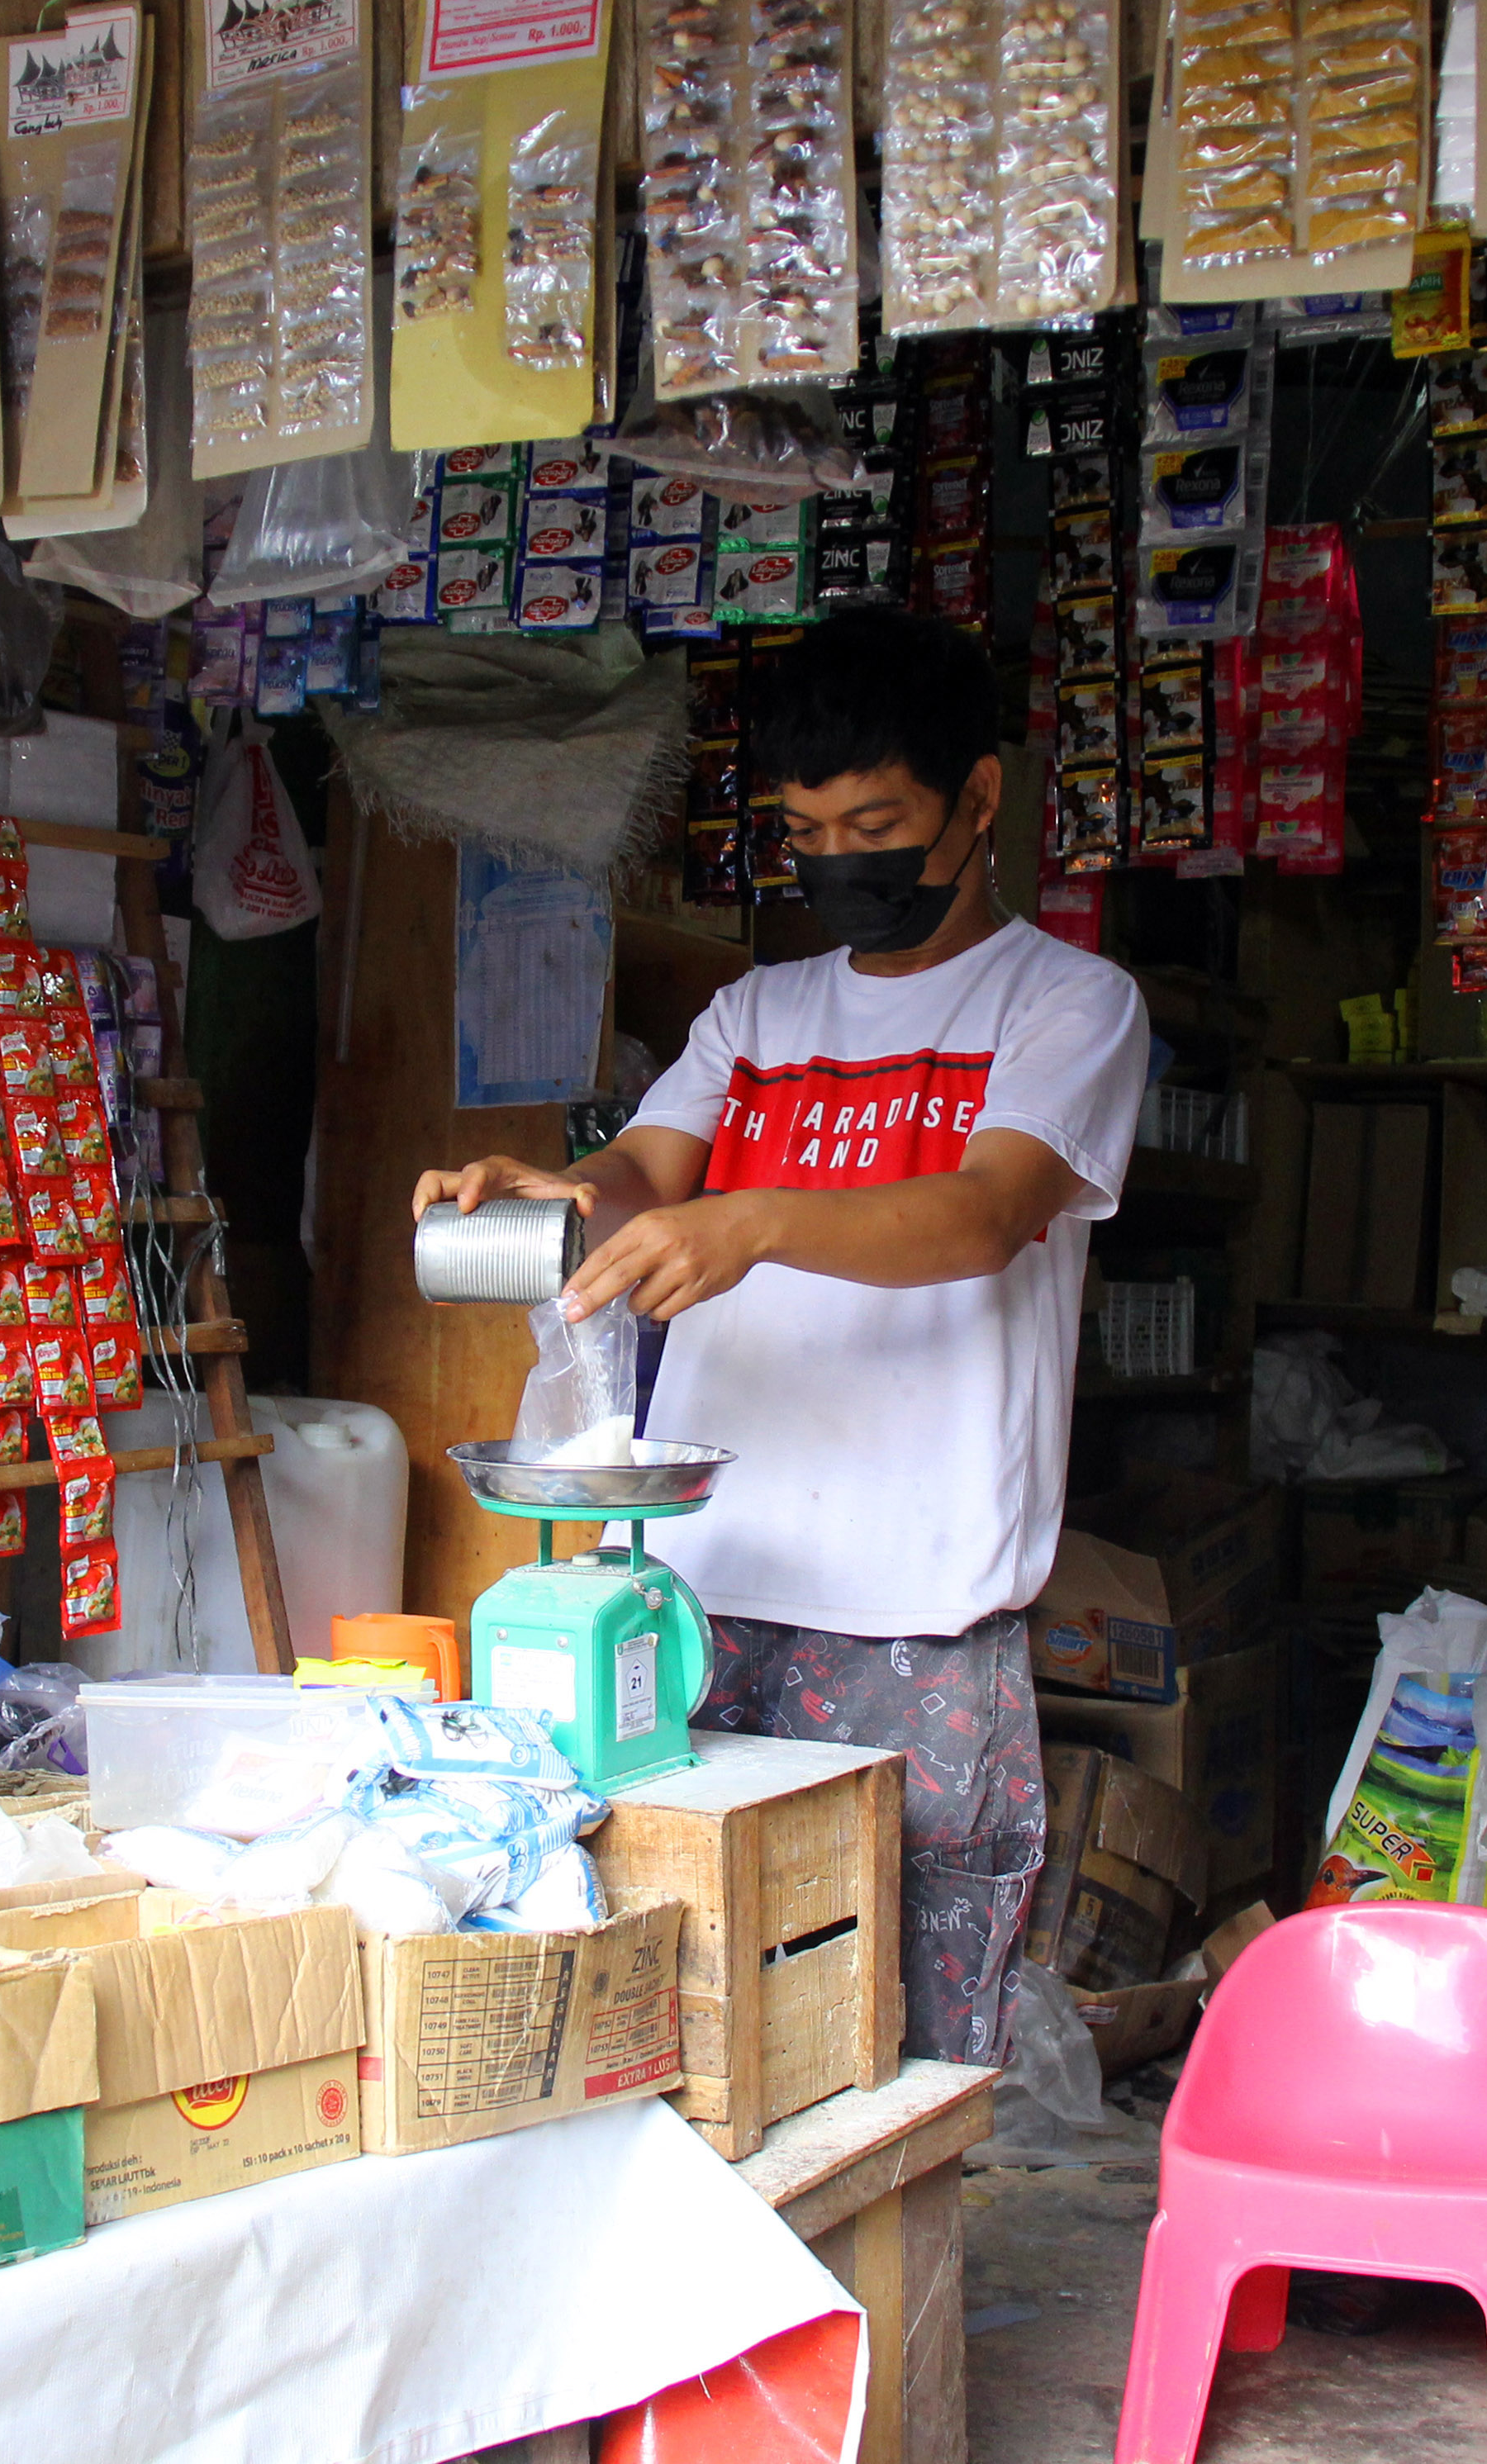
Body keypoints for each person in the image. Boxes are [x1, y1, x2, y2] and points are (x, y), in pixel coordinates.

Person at [413, 607, 1148, 2058]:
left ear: (978, 799)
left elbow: (985, 1214)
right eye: (808, 833)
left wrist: (752, 1222)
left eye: (876, 825)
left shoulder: (1069, 1003)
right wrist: (557, 1190)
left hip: (919, 1619)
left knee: (906, 2053)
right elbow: (647, 1169)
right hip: (698, 1592)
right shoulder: (757, 1012)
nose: (839, 862)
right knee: (689, 2022)